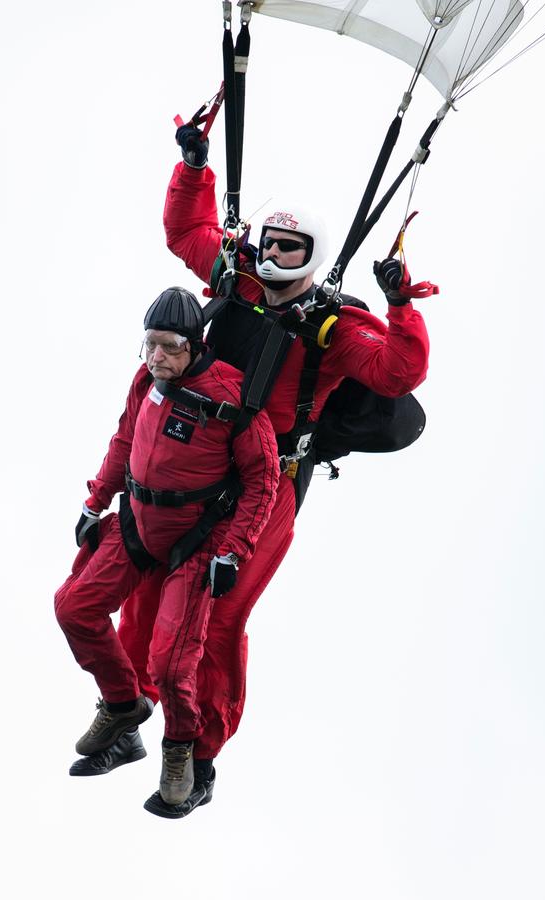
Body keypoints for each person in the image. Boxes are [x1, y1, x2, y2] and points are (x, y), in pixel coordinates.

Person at [112, 125, 431, 798]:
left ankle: (198, 758)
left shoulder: (335, 327)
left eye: (291, 247)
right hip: (200, 459)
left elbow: (399, 372)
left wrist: (400, 305)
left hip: (270, 480)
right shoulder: (236, 277)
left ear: (312, 256)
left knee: (220, 611)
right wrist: (194, 166)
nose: (275, 253)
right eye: (271, 242)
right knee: (148, 573)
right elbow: (185, 231)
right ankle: (129, 707)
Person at [54, 286, 279, 817]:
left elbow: (264, 479)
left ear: (194, 345)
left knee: (172, 666)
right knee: (74, 608)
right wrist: (95, 500)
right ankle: (121, 705)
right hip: (136, 522)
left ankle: (179, 750)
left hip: (196, 542)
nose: (156, 356)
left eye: (168, 346)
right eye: (149, 344)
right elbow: (123, 440)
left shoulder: (233, 398)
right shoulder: (146, 382)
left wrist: (234, 552)